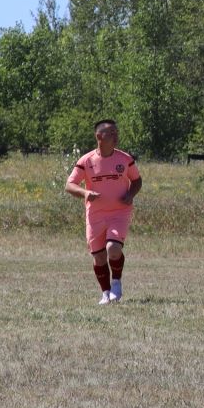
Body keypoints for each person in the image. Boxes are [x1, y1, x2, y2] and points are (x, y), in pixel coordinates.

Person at [64, 119, 143, 305]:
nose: (116, 136)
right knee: (99, 256)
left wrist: (131, 194)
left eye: (117, 132)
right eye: (111, 133)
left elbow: (137, 181)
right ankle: (105, 293)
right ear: (99, 137)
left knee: (113, 249)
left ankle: (116, 283)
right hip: (95, 215)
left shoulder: (125, 159)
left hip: (119, 212)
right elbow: (69, 185)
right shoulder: (86, 160)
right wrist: (85, 193)